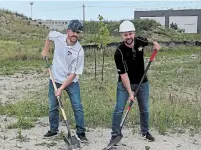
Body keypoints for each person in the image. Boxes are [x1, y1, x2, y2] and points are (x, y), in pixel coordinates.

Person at [110, 20, 161, 142]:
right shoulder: (119, 52)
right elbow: (123, 74)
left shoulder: (140, 41)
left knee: (144, 109)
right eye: (125, 34)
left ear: (134, 33)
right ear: (122, 36)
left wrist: (155, 44)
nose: (128, 37)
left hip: (142, 81)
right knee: (119, 109)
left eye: (130, 34)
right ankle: (115, 135)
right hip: (124, 83)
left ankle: (145, 132)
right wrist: (130, 92)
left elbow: (150, 41)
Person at [41, 19, 88, 143]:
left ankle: (81, 132)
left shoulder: (79, 51)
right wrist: (45, 50)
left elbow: (73, 74)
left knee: (77, 106)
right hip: (55, 78)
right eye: (73, 31)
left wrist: (61, 89)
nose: (75, 35)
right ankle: (53, 129)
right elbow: (49, 35)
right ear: (68, 31)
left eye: (78, 32)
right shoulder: (58, 37)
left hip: (71, 82)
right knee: (53, 106)